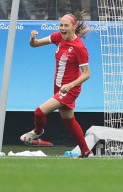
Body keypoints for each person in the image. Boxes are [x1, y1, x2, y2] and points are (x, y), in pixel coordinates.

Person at [20, 10, 93, 158]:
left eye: (66, 25)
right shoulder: (58, 37)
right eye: (61, 25)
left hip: (69, 89)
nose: (62, 28)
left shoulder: (79, 47)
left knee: (39, 112)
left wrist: (70, 85)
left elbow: (86, 73)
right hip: (60, 87)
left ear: (73, 27)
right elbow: (35, 45)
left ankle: (38, 132)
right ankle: (86, 151)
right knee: (69, 121)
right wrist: (32, 38)